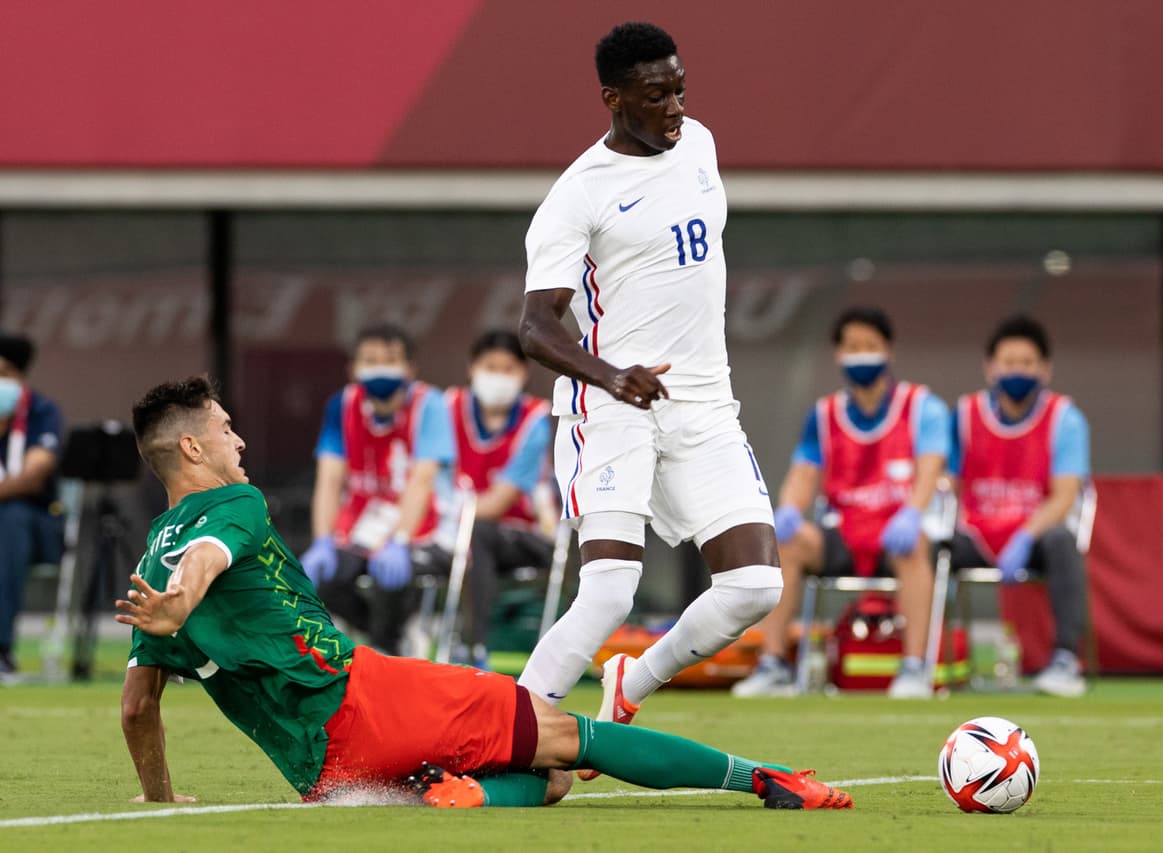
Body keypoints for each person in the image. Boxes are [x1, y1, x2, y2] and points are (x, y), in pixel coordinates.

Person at [115, 376, 852, 811]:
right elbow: (211, 555)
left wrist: (159, 795)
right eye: (226, 429)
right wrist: (186, 594)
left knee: (552, 782)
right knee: (568, 736)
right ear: (192, 448)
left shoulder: (150, 566)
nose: (239, 441)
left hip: (322, 771)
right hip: (369, 701)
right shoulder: (234, 505)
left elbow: (137, 705)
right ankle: (762, 778)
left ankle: (467, 791)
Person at [517, 21, 783, 764]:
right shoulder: (578, 194)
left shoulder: (699, 145)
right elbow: (535, 327)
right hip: (612, 406)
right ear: (613, 98)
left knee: (755, 586)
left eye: (680, 90)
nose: (675, 108)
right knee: (609, 590)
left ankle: (632, 681)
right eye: (656, 95)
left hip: (705, 403)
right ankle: (503, 733)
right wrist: (610, 374)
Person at [732, 307, 950, 700]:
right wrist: (789, 509)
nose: (861, 354)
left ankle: (915, 667)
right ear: (838, 353)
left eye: (869, 345)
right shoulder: (823, 415)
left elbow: (931, 468)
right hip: (845, 533)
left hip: (896, 534)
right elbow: (803, 473)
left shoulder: (922, 407)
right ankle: (774, 664)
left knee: (915, 546)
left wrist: (913, 513)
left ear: (888, 350)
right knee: (788, 543)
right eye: (852, 346)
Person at [950, 315, 1091, 698]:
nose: (1017, 371)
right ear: (990, 368)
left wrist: (1025, 536)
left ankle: (1065, 659)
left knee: (1063, 541)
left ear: (1045, 369)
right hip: (976, 533)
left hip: (1035, 536)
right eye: (1009, 362)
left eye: (1027, 363)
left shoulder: (1065, 419)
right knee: (929, 548)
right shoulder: (964, 415)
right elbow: (947, 482)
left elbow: (1065, 496)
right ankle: (925, 661)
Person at [297, 324, 454, 654]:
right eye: (370, 360)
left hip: (422, 529)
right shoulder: (341, 406)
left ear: (410, 369)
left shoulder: (430, 405)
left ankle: (387, 648)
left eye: (390, 360)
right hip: (360, 529)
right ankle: (392, 636)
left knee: (391, 578)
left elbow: (421, 481)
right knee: (321, 579)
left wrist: (399, 539)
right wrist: (322, 540)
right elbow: (329, 480)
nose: (380, 368)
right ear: (353, 369)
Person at [444, 330, 554, 670]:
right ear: (472, 368)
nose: (498, 376)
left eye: (508, 369)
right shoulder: (448, 408)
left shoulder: (535, 420)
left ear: (524, 373)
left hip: (525, 535)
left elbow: (498, 503)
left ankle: (475, 649)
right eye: (490, 367)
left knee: (477, 534)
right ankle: (404, 642)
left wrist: (444, 516)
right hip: (453, 530)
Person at [0, 333, 63, 681]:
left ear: (20, 376)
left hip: (37, 527)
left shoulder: (41, 412)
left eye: (4, 373)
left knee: (10, 518)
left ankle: (1, 648)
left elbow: (31, 477)